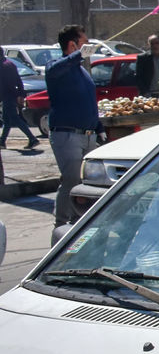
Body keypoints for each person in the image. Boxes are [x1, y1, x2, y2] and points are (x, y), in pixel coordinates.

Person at [45, 25, 103, 228]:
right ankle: (61, 224)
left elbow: (88, 101)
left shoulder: (81, 71)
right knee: (71, 180)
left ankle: (79, 222)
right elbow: (55, 70)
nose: (87, 47)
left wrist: (99, 126)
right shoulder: (56, 66)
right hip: (67, 134)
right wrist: (77, 56)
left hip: (88, 135)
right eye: (83, 43)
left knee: (86, 183)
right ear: (72, 45)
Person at [0, 47, 39, 149]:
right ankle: (2, 142)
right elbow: (18, 79)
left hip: (8, 96)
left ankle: (32, 138)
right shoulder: (10, 64)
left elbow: (7, 84)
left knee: (14, 118)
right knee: (7, 120)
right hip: (10, 95)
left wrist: (17, 95)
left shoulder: (3, 66)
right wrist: (20, 94)